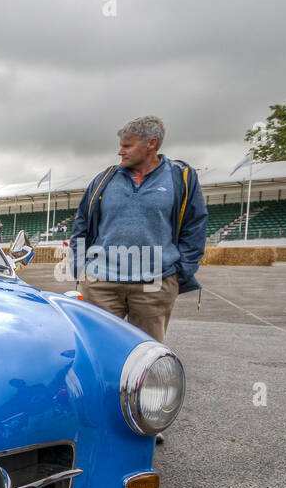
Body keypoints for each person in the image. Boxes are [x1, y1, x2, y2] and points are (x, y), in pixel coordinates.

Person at [70, 115, 207, 345]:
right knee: (98, 351)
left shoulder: (180, 177)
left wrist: (179, 271)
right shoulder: (104, 179)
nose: (120, 152)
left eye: (127, 146)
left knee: (145, 355)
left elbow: (195, 226)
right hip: (100, 284)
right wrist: (81, 267)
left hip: (154, 284)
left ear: (151, 144)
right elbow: (81, 223)